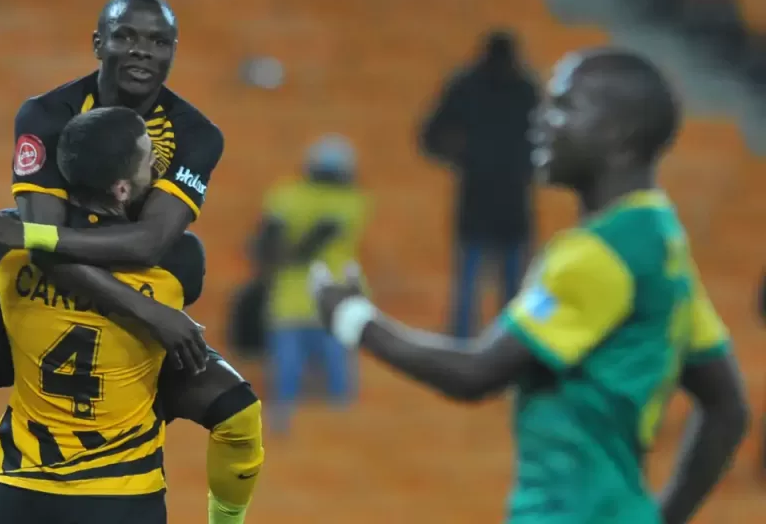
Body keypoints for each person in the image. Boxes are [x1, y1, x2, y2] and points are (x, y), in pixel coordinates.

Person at [311, 49, 749, 523]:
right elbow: (728, 407)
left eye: (563, 106)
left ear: (619, 136)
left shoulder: (599, 253)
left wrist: (353, 318)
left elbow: (475, 374)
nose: (540, 121)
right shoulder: (661, 243)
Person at [0, 0, 262, 524]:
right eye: (126, 36)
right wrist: (150, 312)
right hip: (57, 307)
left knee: (237, 405)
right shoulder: (48, 114)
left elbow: (146, 242)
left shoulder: (196, 135)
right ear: (98, 43)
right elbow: (45, 245)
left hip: (127, 310)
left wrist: (29, 236)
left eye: (159, 42)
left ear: (173, 52)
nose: (142, 51)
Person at [0, 108, 213, 523]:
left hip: (24, 486)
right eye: (149, 158)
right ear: (122, 189)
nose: (158, 166)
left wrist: (28, 331)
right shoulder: (180, 257)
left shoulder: (4, 236)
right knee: (239, 415)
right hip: (126, 491)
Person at [420, 31, 538, 341]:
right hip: (504, 202)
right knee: (502, 292)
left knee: (475, 289)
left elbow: (431, 137)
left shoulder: (471, 85)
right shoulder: (522, 88)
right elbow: (430, 137)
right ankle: (506, 348)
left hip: (487, 201)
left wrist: (466, 156)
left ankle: (469, 348)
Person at [254, 136, 369, 433]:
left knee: (286, 376)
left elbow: (265, 242)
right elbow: (315, 241)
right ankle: (341, 431)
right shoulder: (351, 201)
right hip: (335, 301)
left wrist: (278, 257)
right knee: (338, 377)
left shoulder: (285, 195)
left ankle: (282, 428)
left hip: (289, 300)